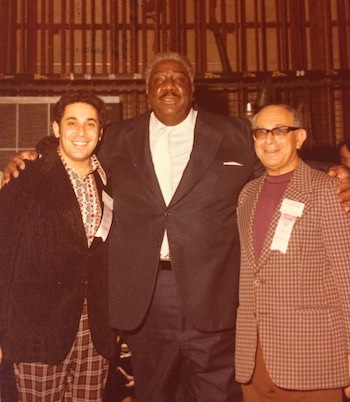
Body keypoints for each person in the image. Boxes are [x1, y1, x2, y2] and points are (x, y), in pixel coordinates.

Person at [2, 53, 350, 402]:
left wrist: (330, 171)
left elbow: (277, 164)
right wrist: (31, 157)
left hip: (214, 297)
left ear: (192, 88)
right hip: (147, 300)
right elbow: (73, 151)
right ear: (148, 91)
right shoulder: (118, 138)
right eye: (159, 79)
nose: (168, 85)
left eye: (178, 78)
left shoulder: (234, 132)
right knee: (153, 393)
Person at [0, 90, 117, 401]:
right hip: (37, 332)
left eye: (90, 124)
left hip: (96, 331)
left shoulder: (110, 181)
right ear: (56, 129)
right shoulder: (27, 176)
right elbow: (4, 255)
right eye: (72, 123)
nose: (81, 132)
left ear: (100, 132)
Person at [235, 104, 350, 402]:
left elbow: (346, 277)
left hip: (313, 358)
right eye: (261, 132)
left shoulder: (328, 190)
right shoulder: (247, 194)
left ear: (299, 138)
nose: (269, 139)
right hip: (255, 360)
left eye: (280, 131)